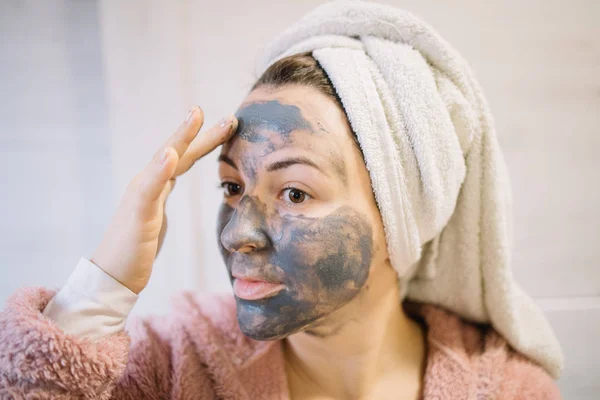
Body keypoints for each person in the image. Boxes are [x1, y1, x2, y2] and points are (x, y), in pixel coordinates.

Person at [0, 2, 562, 399]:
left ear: (401, 218)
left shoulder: (509, 390)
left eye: (294, 191)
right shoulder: (167, 367)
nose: (235, 232)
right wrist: (103, 286)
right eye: (232, 187)